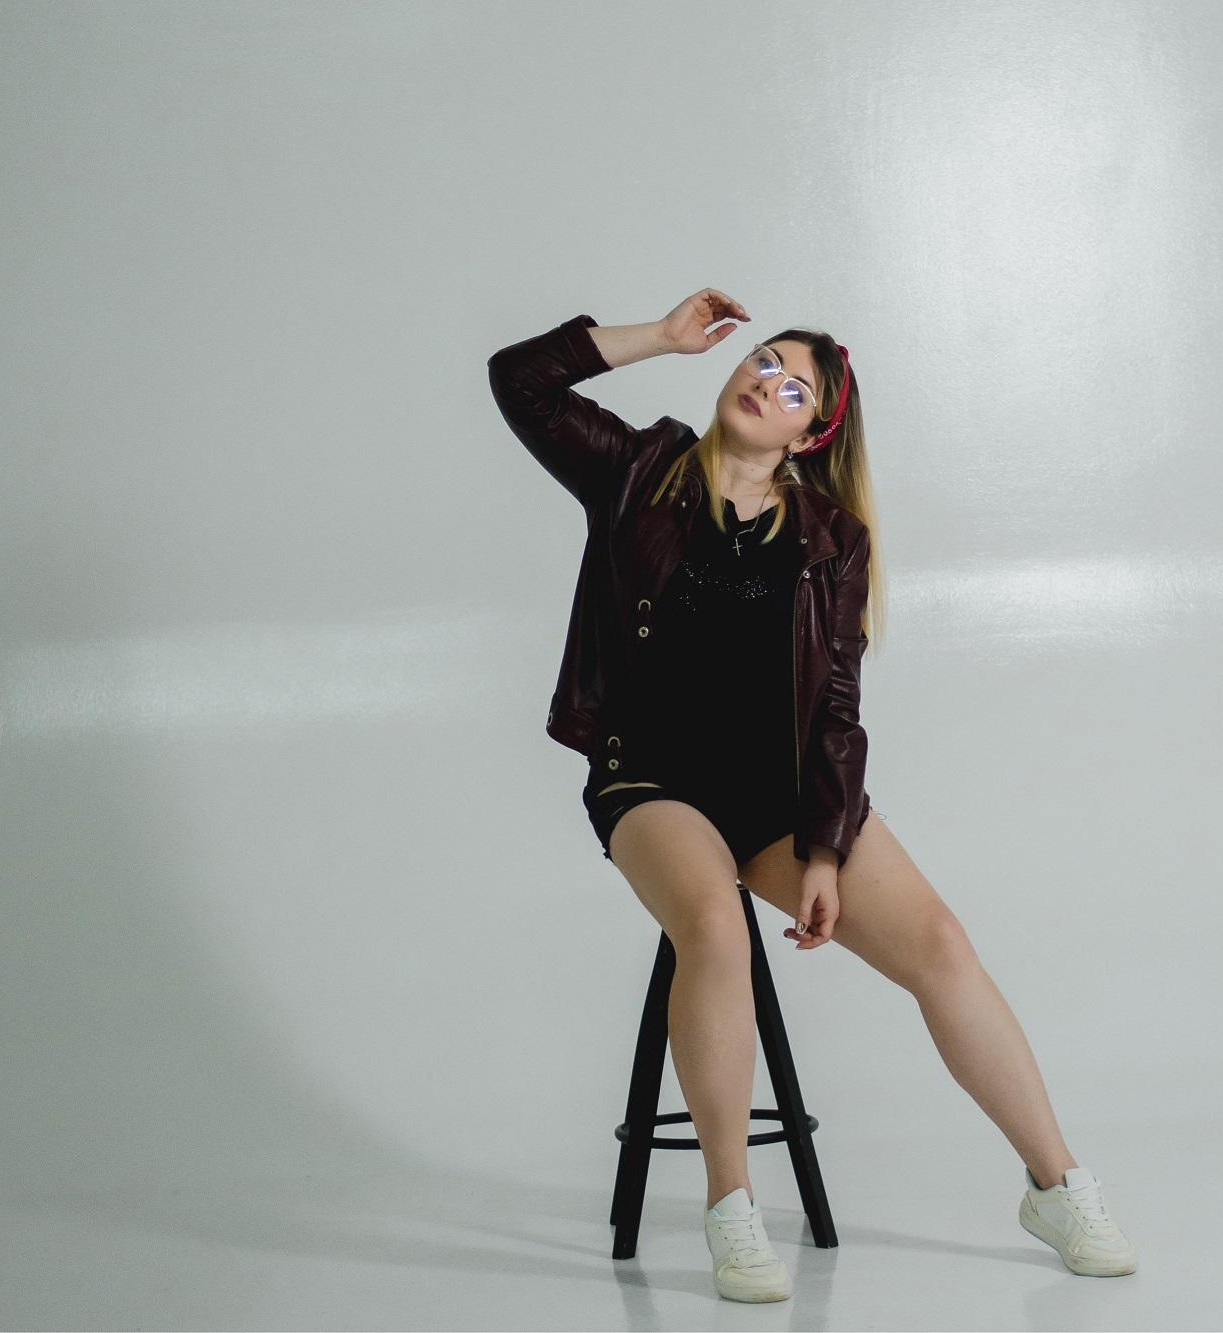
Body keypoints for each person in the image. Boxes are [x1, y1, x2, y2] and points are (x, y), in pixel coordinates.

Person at [487, 289, 1137, 1301]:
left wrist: (827, 849)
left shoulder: (830, 537)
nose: (767, 383)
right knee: (714, 924)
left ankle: (1056, 1185)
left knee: (940, 944)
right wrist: (660, 337)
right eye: (762, 361)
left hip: (782, 798)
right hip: (651, 779)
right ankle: (732, 1210)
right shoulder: (639, 469)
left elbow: (836, 705)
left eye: (795, 388)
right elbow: (519, 378)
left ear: (808, 434)